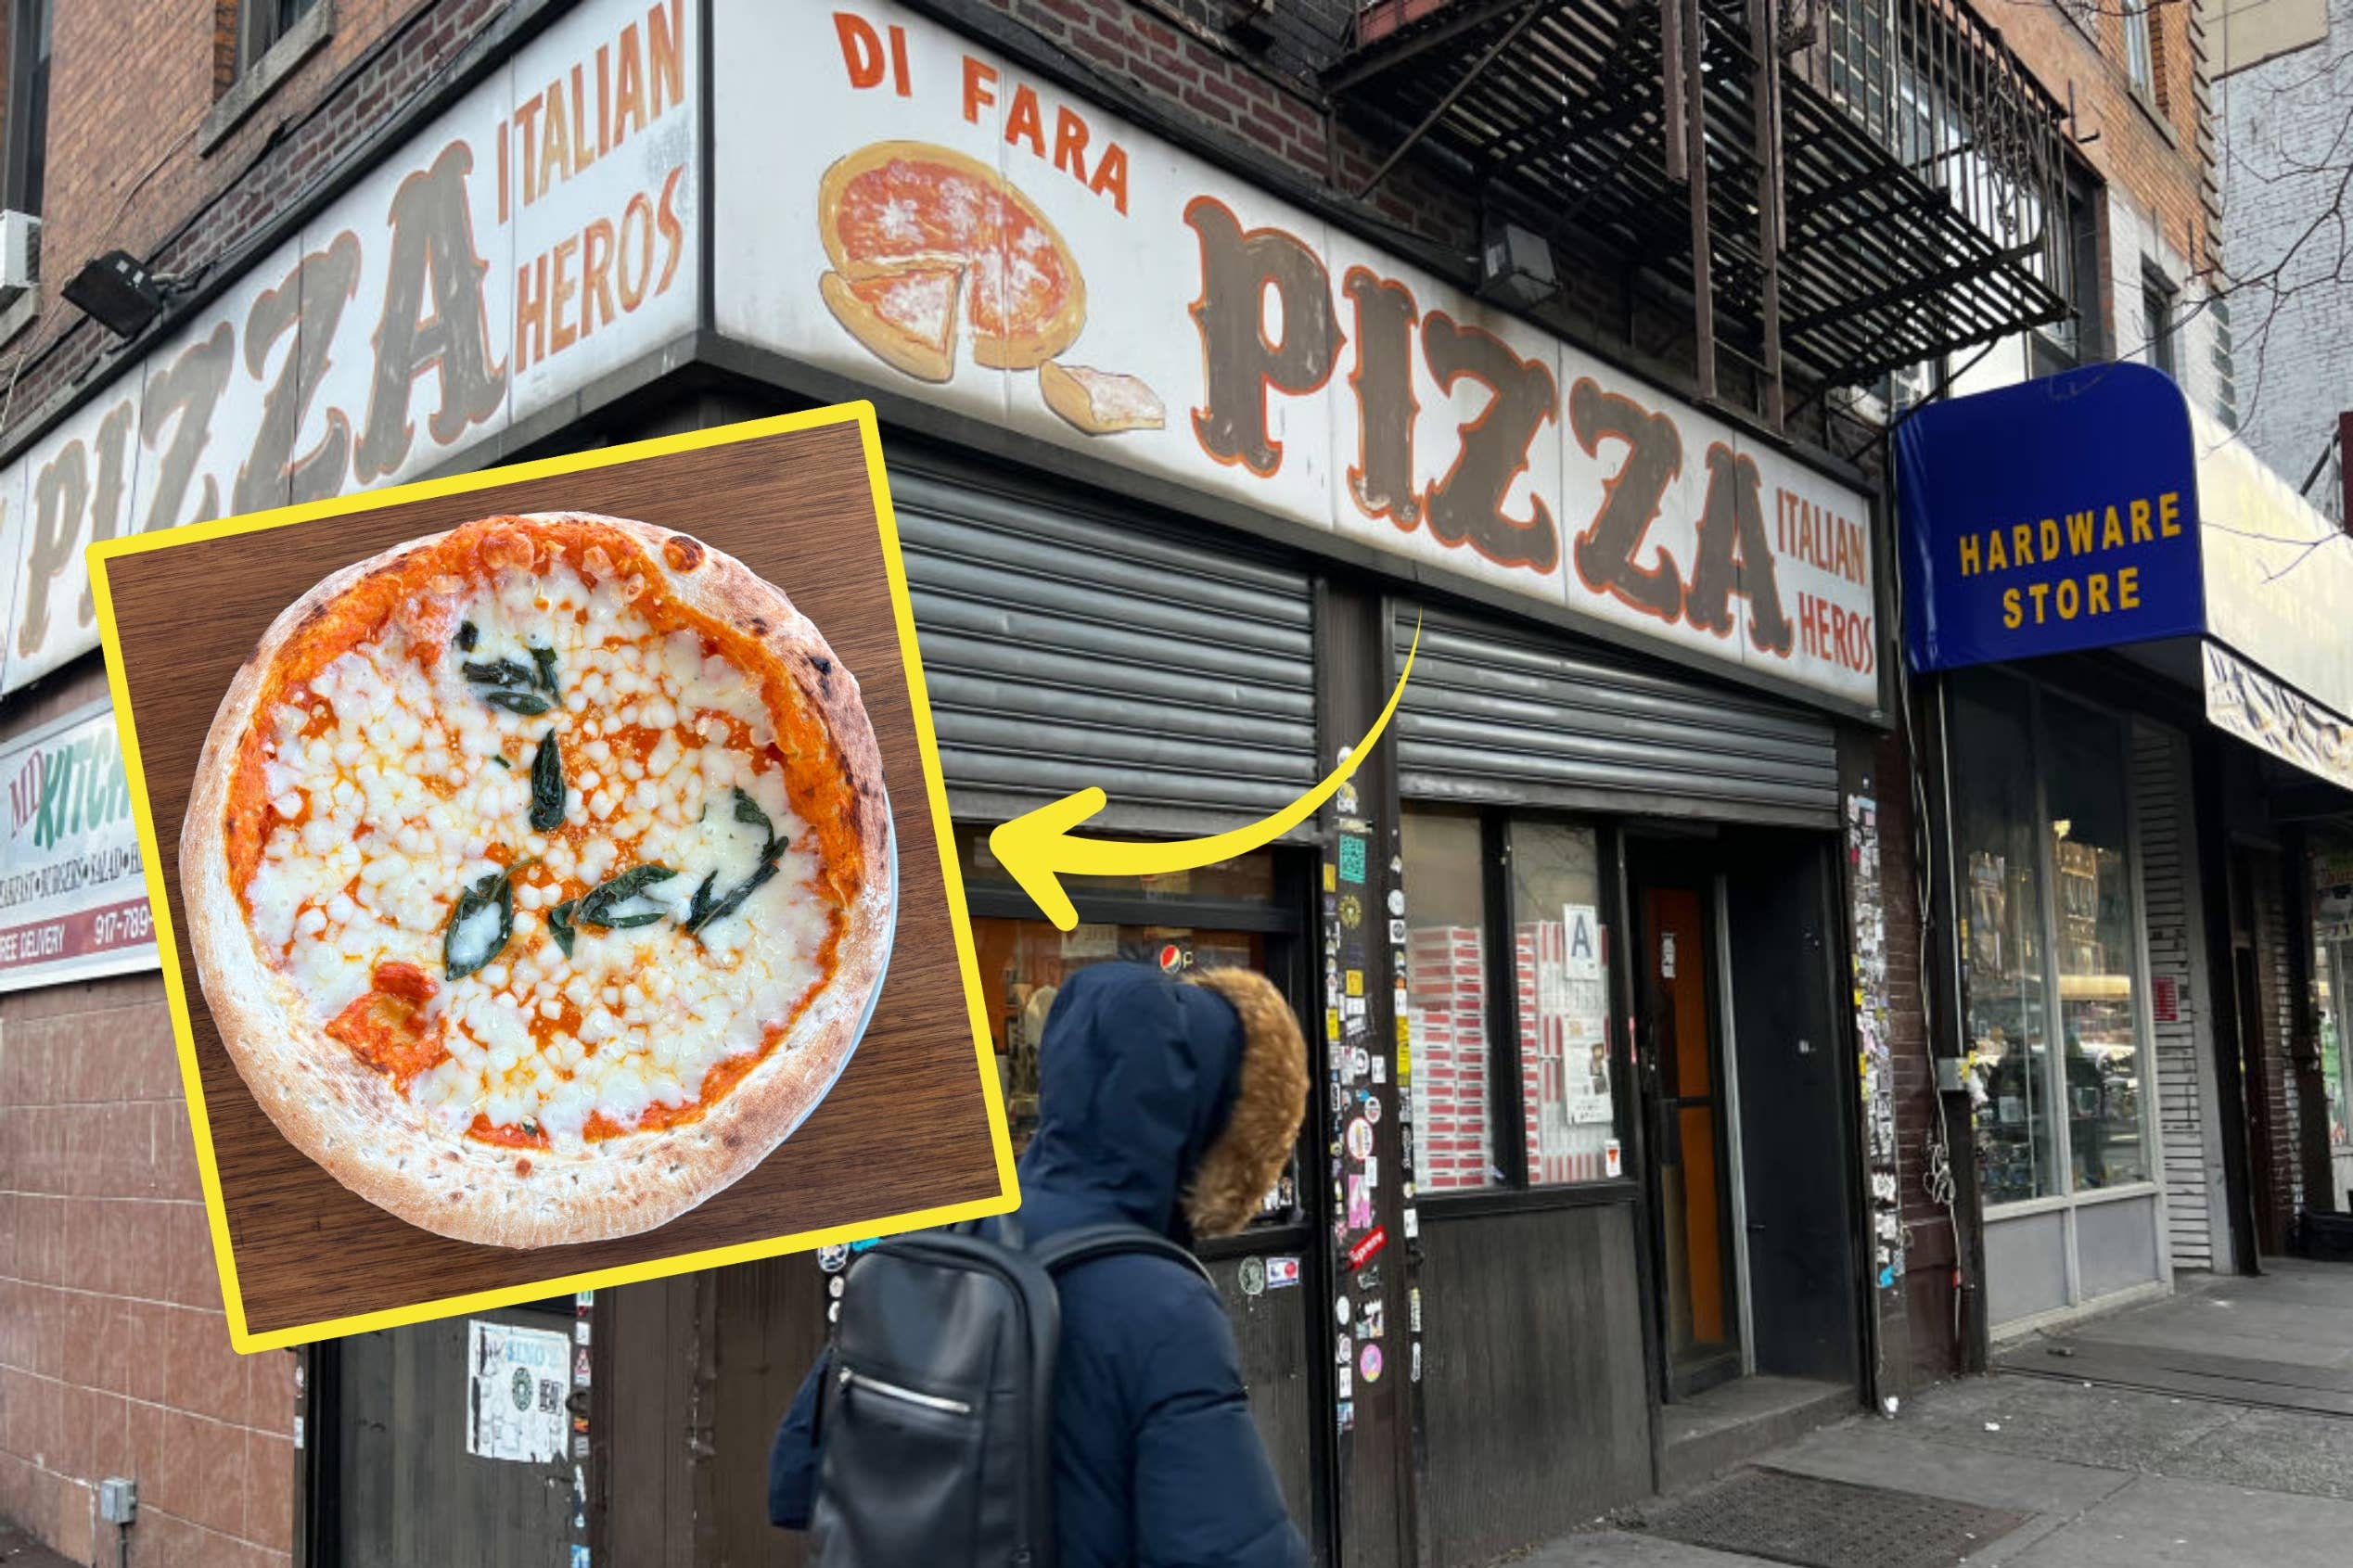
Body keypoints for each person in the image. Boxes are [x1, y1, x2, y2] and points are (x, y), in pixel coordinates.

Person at [770, 960, 1312, 1568]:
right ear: (1214, 1125)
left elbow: (794, 1477)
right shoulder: (1160, 1302)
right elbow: (1232, 1549)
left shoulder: (948, 1222)